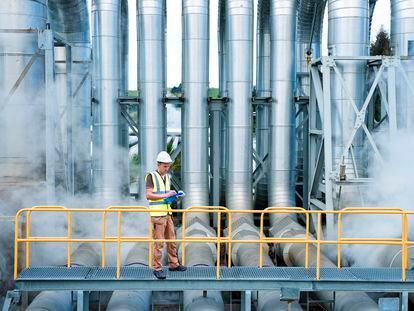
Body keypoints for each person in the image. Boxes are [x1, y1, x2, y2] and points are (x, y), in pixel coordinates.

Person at [145, 151, 187, 279]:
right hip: (157, 215)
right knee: (159, 243)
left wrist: (174, 195)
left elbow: (164, 194)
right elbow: (149, 195)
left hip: (167, 213)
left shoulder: (167, 177)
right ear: (158, 164)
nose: (167, 168)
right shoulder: (151, 176)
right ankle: (157, 268)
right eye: (165, 166)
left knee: (171, 240)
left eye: (168, 166)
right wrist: (166, 195)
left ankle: (174, 264)